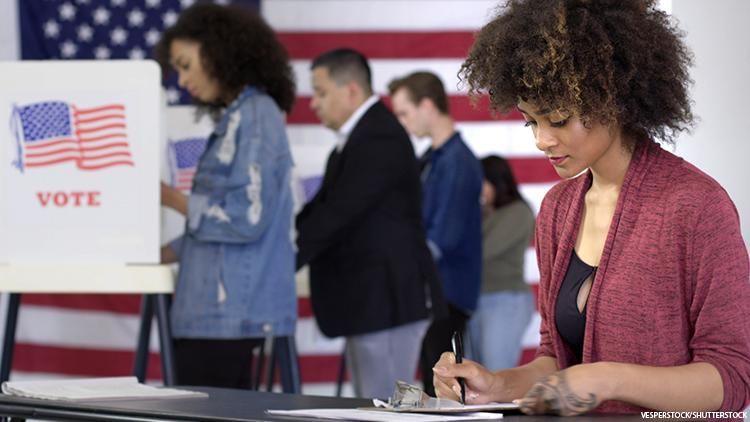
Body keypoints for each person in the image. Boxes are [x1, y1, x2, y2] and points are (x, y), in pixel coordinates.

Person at [433, 0, 750, 415]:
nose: (541, 140)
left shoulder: (695, 206)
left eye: (558, 119)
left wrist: (607, 378)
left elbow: (732, 378)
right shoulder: (557, 210)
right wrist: (495, 384)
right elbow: (557, 359)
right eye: (531, 121)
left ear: (611, 99)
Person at [155, 3, 297, 388]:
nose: (181, 80)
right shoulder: (239, 115)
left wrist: (169, 197)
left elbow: (246, 217)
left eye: (185, 64)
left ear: (219, 52)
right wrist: (158, 253)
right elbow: (213, 231)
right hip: (213, 314)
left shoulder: (255, 115)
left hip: (228, 316)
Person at [296, 49, 446, 399]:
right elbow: (321, 210)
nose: (314, 104)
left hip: (389, 302)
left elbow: (339, 212)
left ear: (350, 90)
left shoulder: (379, 136)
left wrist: (281, 261)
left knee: (385, 408)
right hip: (370, 302)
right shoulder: (357, 140)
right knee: (372, 403)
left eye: (320, 93)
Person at [388, 71, 483, 396]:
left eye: (404, 112)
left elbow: (444, 237)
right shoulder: (431, 159)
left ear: (427, 106)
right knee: (431, 380)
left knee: (442, 386)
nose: (402, 122)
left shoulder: (457, 161)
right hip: (432, 290)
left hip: (446, 293)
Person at [467, 155, 535, 371]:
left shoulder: (518, 212)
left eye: (481, 182)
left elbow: (483, 251)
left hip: (505, 300)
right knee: (472, 376)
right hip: (475, 300)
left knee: (497, 375)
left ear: (496, 181)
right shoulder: (481, 213)